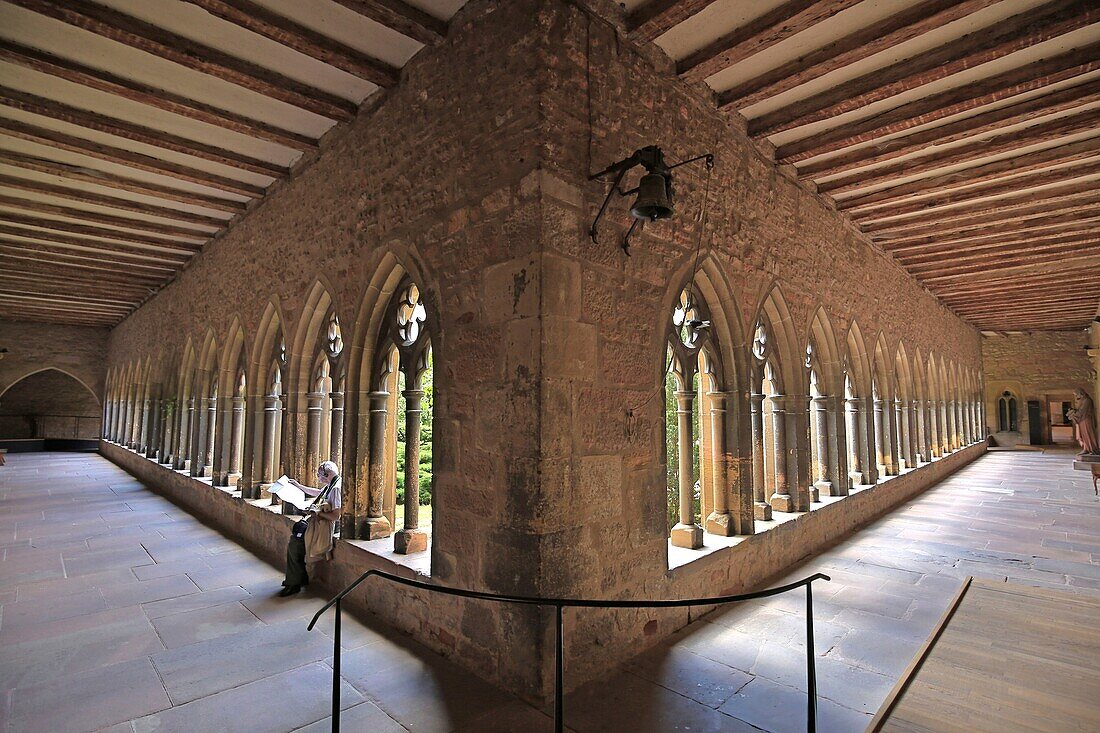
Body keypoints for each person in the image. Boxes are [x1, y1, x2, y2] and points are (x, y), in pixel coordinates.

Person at [279, 461, 341, 597]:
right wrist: (298, 486)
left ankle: (293, 583)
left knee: (295, 545)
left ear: (327, 473)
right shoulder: (331, 485)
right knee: (296, 538)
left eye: (320, 473)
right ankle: (297, 578)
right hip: (318, 523)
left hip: (325, 527)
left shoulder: (336, 488)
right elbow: (319, 492)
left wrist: (316, 513)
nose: (318, 476)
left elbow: (336, 515)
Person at [1067, 388, 1099, 457]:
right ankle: (1086, 448)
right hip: (1082, 419)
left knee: (1088, 434)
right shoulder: (1083, 400)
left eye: (1076, 395)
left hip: (1086, 420)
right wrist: (1074, 411)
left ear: (1081, 393)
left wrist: (1074, 414)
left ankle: (1093, 449)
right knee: (1084, 435)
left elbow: (1082, 411)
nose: (1076, 397)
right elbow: (1080, 410)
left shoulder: (1087, 401)